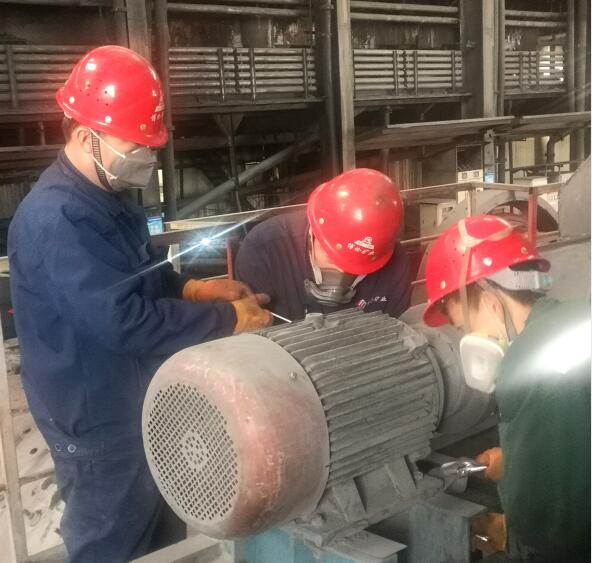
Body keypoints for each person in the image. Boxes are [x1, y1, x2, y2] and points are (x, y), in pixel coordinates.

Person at [8, 45, 271, 563]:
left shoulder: (106, 199)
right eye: (137, 145)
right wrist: (227, 318)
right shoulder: (57, 220)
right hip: (98, 419)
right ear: (86, 135)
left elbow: (141, 278)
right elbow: (124, 320)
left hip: (136, 398)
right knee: (111, 541)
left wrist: (192, 289)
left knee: (162, 537)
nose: (147, 158)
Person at [423, 214, 590, 562]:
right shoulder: (579, 315)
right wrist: (518, 462)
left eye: (464, 326)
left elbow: (550, 535)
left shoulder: (524, 366)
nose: (469, 337)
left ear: (490, 300)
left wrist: (513, 535)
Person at [234, 168, 412, 321]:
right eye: (332, 255)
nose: (342, 270)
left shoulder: (395, 263)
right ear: (315, 230)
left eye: (355, 263)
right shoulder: (263, 250)